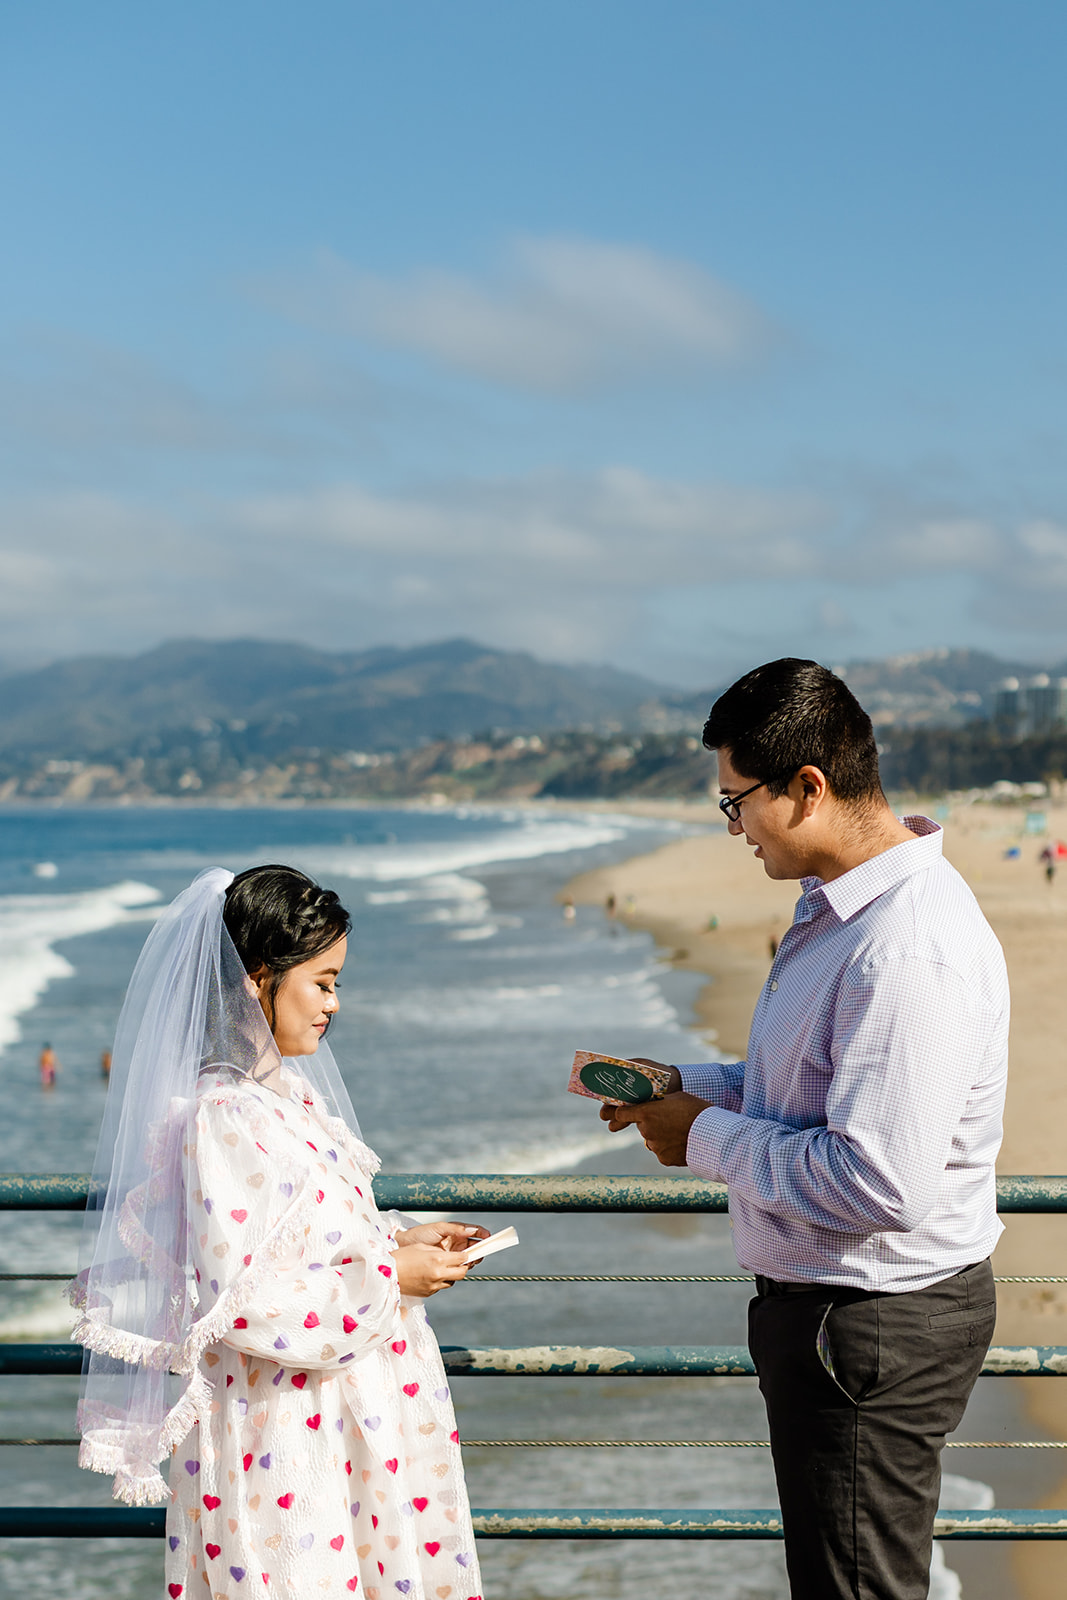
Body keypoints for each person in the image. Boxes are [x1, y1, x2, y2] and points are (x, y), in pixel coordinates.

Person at [600, 659, 1008, 1600]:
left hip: (868, 1325)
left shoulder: (904, 945)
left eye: (733, 801)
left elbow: (877, 1181)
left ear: (808, 788)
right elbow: (805, 1090)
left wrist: (697, 1134)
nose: (732, 826)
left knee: (858, 1589)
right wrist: (679, 1086)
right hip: (843, 1320)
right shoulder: (840, 913)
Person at [71, 864, 488, 1600]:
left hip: (349, 1417)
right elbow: (243, 1301)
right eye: (321, 983)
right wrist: (392, 1280)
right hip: (289, 1436)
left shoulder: (288, 1099)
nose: (334, 1004)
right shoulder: (222, 1117)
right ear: (257, 978)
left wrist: (399, 1241)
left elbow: (307, 1239)